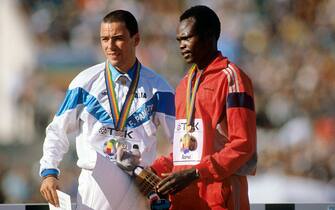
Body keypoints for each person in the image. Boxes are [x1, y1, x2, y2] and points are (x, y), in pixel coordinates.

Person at [39, 10, 175, 210]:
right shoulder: (84, 83)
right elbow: (57, 130)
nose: (110, 46)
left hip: (138, 187)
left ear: (136, 39)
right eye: (104, 39)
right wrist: (49, 172)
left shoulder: (159, 88)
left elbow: (180, 142)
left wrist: (162, 173)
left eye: (118, 38)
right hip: (96, 184)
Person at [151, 5, 257, 210]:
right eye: (179, 40)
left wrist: (196, 173)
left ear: (209, 36)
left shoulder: (232, 78)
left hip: (220, 197)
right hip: (185, 200)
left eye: (187, 38)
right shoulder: (184, 84)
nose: (182, 45)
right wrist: (155, 169)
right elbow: (187, 150)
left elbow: (243, 145)